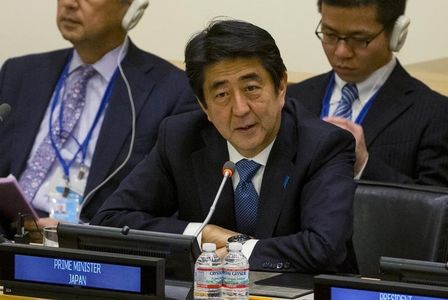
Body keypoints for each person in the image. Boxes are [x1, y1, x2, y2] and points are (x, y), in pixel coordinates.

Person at [91, 19, 358, 274]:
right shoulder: (180, 138)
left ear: (281, 87)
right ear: (203, 106)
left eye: (252, 88)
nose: (240, 109)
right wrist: (201, 233)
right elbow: (110, 220)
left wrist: (237, 248)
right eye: (221, 95)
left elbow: (325, 247)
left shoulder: (323, 146)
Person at [0, 0, 196, 237]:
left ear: (131, 9)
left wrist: (81, 232)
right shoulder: (20, 72)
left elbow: (169, 207)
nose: (70, 4)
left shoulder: (173, 91)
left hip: (88, 249)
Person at [287, 0, 448, 187]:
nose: (341, 52)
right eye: (330, 35)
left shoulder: (436, 114)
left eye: (358, 39)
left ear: (397, 34)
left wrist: (363, 164)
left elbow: (437, 209)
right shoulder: (292, 99)